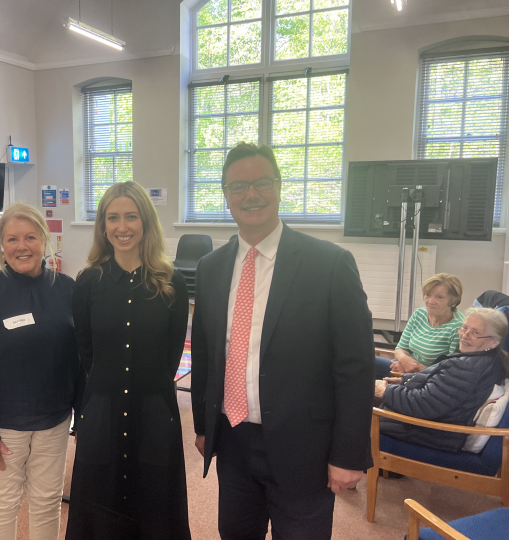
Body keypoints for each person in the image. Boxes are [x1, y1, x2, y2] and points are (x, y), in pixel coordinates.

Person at [190, 143, 375, 540]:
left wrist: (349, 453)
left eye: (261, 183)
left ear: (279, 187)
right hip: (235, 440)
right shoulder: (211, 268)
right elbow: (206, 353)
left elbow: (355, 366)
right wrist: (205, 426)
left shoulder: (329, 265)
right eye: (238, 186)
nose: (251, 194)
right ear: (225, 193)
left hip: (304, 448)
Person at [65, 182, 190, 540]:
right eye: (113, 217)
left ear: (146, 222)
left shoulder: (171, 283)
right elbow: (86, 352)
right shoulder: (88, 282)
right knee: (98, 505)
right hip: (101, 410)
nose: (122, 226)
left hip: (154, 410)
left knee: (155, 504)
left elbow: (171, 356)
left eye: (131, 217)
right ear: (103, 225)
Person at [0, 203, 81, 540]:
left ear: (44, 240)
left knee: (46, 501)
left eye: (30, 237)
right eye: (11, 239)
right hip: (3, 426)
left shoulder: (67, 289)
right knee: (2, 503)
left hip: (54, 421)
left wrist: (82, 416)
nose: (21, 246)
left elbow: (80, 359)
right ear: (1, 246)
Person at [377, 307, 508, 451]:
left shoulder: (466, 368)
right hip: (432, 426)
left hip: (425, 432)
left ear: (494, 342)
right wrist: (403, 380)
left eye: (476, 333)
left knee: (356, 402)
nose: (465, 335)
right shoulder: (487, 359)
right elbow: (439, 384)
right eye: (464, 328)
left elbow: (423, 404)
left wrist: (385, 391)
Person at [375, 273, 464, 379]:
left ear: (453, 301)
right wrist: (404, 361)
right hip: (402, 366)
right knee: (364, 361)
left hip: (427, 377)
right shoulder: (419, 314)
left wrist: (413, 368)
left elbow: (448, 371)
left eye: (439, 297)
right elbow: (400, 348)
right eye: (428, 295)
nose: (430, 301)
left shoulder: (458, 327)